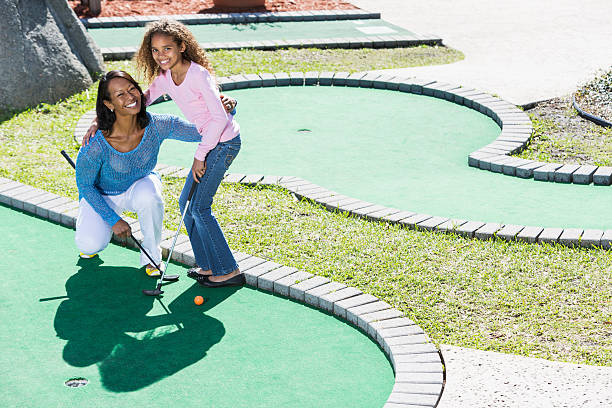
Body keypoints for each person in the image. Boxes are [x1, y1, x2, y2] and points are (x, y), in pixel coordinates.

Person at [135, 19, 244, 287]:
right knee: (186, 204)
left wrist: (199, 156)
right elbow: (144, 98)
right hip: (211, 143)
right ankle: (208, 265)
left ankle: (228, 270)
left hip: (224, 143)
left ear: (182, 47)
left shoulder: (198, 76)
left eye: (168, 48)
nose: (161, 56)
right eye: (156, 50)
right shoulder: (165, 77)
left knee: (199, 207)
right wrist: (122, 105)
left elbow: (219, 119)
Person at [75, 70, 205, 277]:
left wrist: (222, 110)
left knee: (150, 195)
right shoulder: (95, 144)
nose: (130, 97)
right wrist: (112, 219)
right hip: (102, 195)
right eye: (120, 95)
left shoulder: (158, 124)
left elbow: (200, 132)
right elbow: (85, 186)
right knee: (89, 245)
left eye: (132, 89)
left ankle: (152, 258)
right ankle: (93, 234)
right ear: (109, 104)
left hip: (139, 186)